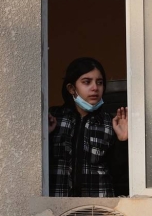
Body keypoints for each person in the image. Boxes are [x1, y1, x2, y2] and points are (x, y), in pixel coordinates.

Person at [48, 57, 128, 197]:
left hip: (98, 207)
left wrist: (122, 141)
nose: (95, 88)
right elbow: (38, 167)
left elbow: (118, 174)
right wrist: (45, 135)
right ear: (72, 88)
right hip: (56, 206)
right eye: (86, 82)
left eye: (100, 82)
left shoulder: (109, 123)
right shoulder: (54, 118)